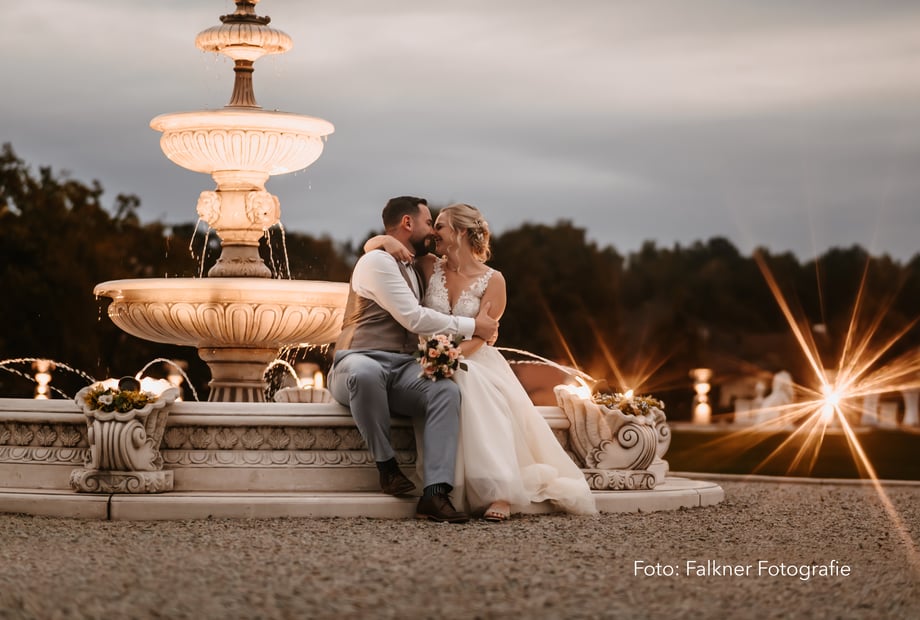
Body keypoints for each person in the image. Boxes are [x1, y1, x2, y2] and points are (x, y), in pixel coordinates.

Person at [365, 203, 596, 520]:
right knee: (448, 386)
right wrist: (384, 240)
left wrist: (450, 359)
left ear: (460, 231)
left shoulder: (494, 280)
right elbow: (371, 252)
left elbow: (484, 334)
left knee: (471, 381)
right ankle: (447, 485)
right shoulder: (428, 265)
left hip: (474, 357)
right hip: (432, 358)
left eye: (440, 226)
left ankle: (499, 492)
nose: (434, 233)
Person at [327, 196, 499, 524]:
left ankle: (434, 494)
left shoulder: (417, 266)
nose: (433, 231)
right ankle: (387, 467)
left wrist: (381, 239)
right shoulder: (377, 262)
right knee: (365, 373)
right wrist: (474, 326)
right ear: (408, 223)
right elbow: (414, 318)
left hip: (403, 367)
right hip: (355, 360)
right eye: (428, 222)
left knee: (445, 391)